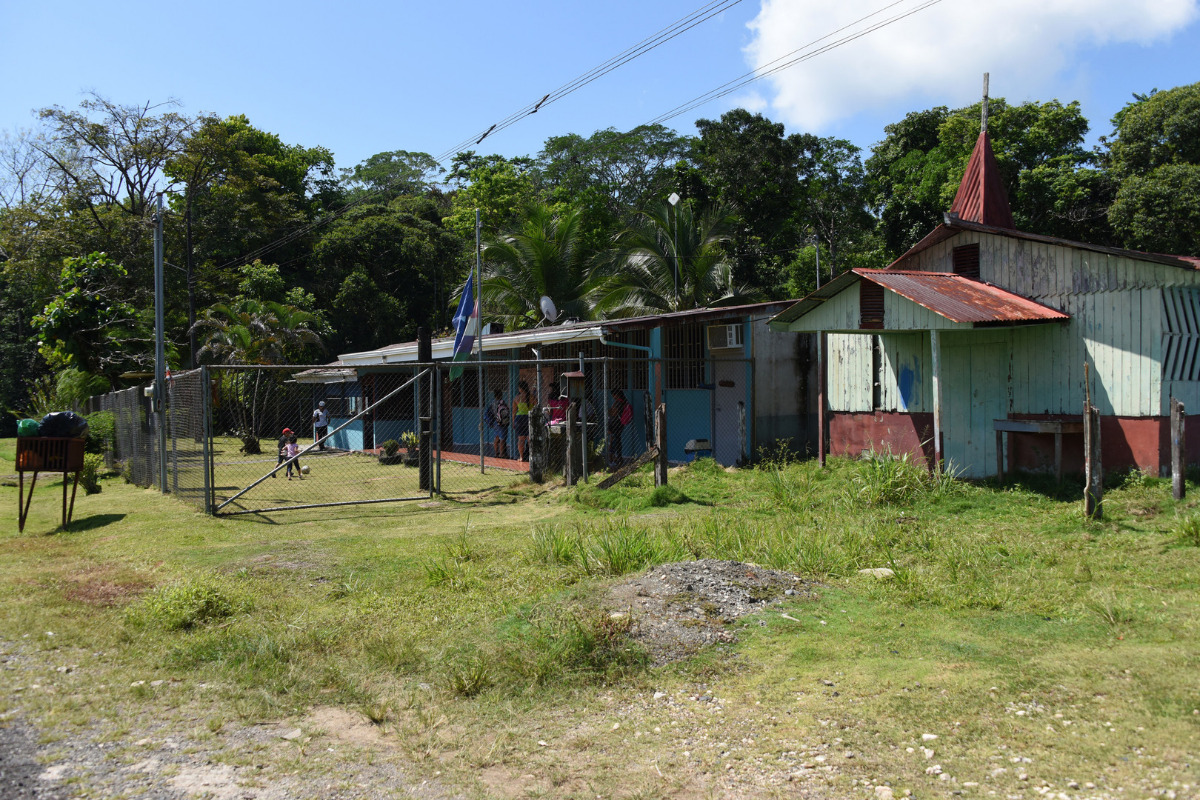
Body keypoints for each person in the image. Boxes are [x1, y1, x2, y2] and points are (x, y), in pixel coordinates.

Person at [608, 389, 632, 467]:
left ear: (616, 395)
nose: (613, 397)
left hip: (615, 424)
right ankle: (617, 458)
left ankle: (615, 459)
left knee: (614, 441)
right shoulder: (623, 402)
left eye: (613, 395)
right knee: (616, 441)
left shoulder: (619, 402)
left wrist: (610, 411)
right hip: (619, 424)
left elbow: (613, 413)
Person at [484, 388, 510, 459]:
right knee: (502, 438)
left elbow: (490, 413)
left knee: (496, 437)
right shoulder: (502, 402)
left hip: (496, 422)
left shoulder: (493, 403)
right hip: (502, 422)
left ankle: (496, 453)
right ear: (501, 395)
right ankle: (502, 454)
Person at [514, 380, 532, 462]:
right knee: (529, 439)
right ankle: (531, 456)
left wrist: (513, 421)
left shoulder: (517, 398)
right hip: (528, 417)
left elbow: (514, 412)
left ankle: (521, 457)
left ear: (520, 388)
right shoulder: (531, 396)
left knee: (521, 439)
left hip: (519, 419)